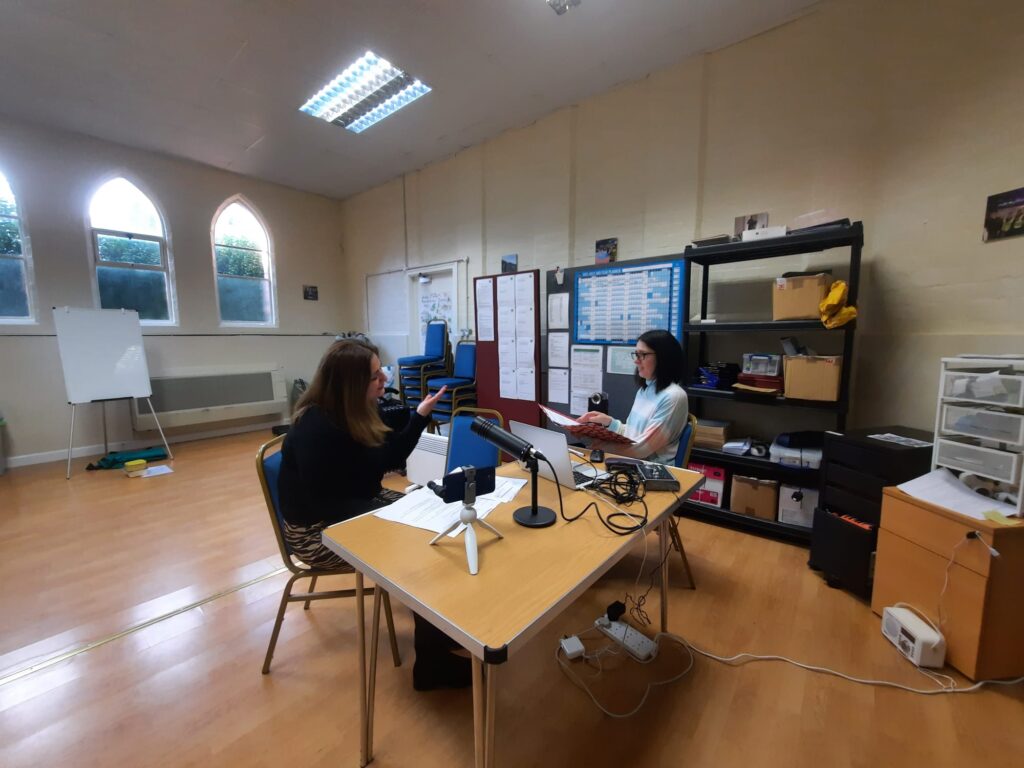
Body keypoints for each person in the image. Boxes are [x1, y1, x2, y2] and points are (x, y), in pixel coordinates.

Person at [278, 339, 468, 690]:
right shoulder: (316, 429)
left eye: (381, 371)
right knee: (420, 549)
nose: (384, 379)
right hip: (316, 531)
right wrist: (395, 521)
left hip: (352, 504)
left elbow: (386, 461)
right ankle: (431, 665)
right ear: (350, 384)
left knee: (437, 518)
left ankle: (440, 629)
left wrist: (419, 416)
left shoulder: (355, 411)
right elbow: (328, 503)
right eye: (375, 375)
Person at [579, 329, 689, 464]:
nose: (636, 361)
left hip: (651, 468)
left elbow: (642, 449)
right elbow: (633, 436)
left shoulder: (674, 396)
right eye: (636, 354)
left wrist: (597, 447)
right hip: (632, 462)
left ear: (663, 357)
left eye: (642, 355)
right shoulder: (645, 390)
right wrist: (610, 423)